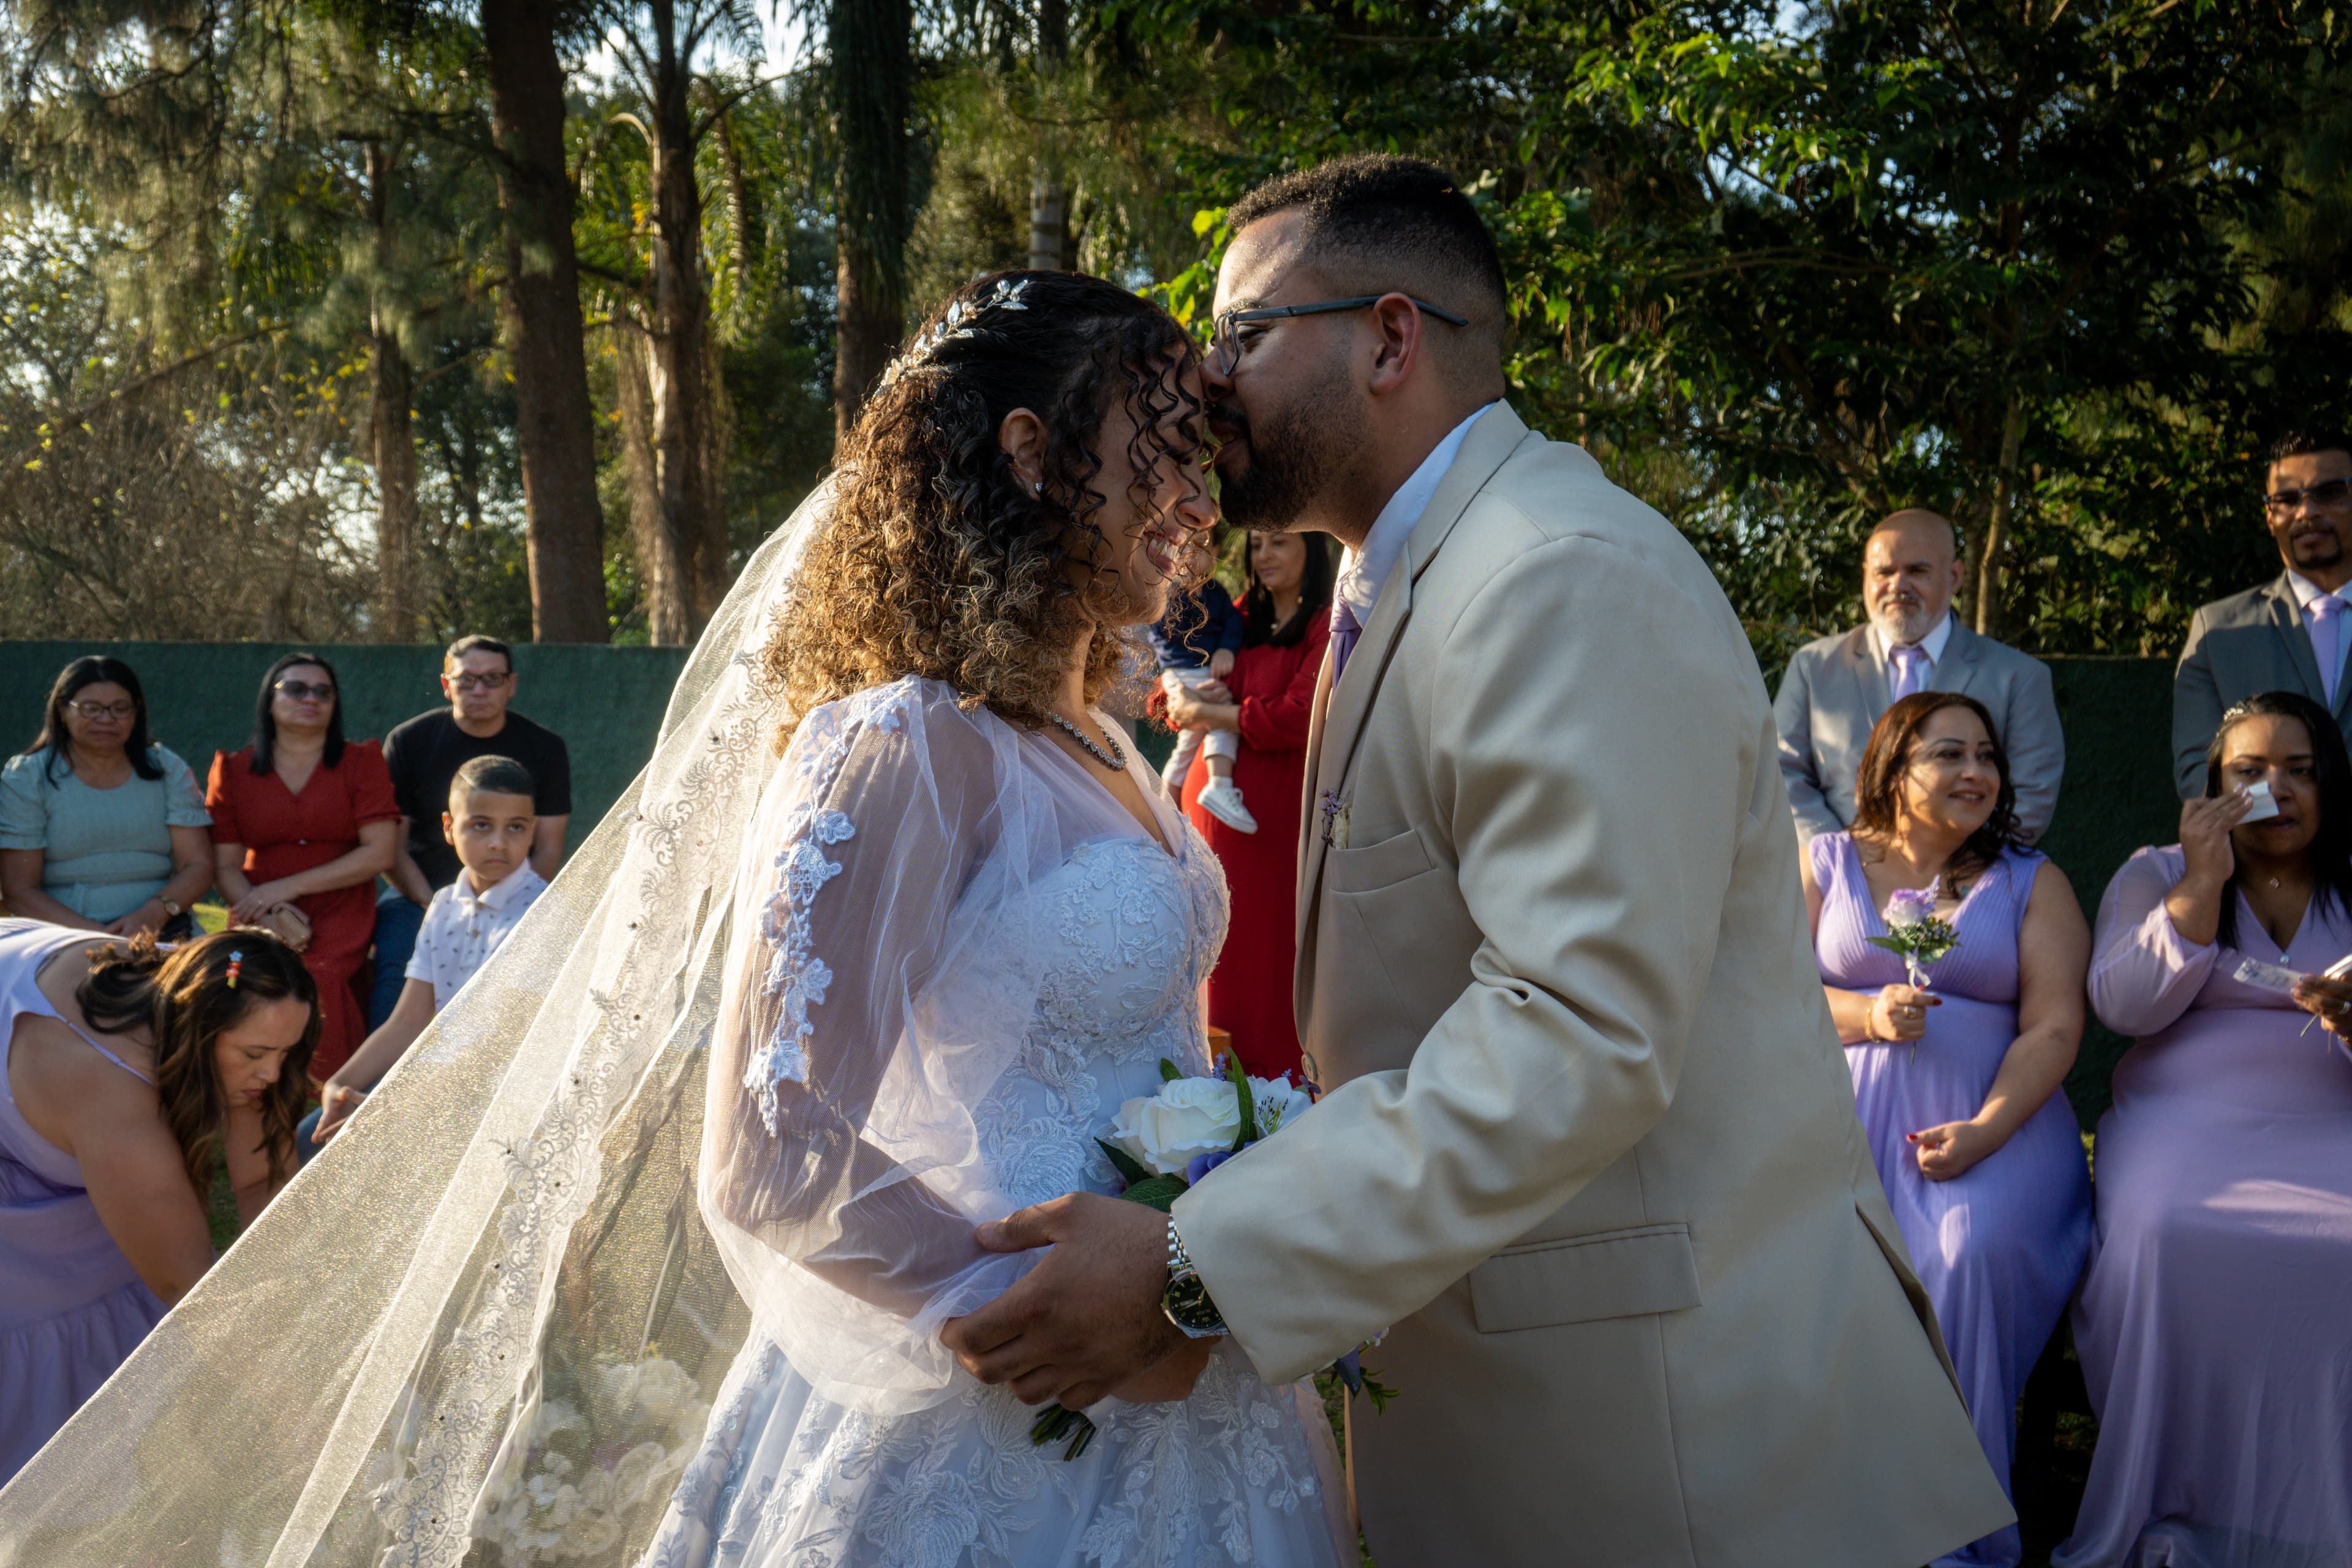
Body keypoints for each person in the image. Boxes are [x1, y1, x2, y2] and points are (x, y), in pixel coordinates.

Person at [0, 271, 1354, 1565]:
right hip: (1012, 1378)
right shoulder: (906, 741)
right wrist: (1052, 1321)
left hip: (1182, 1359)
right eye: (1162, 452)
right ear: (1030, 451)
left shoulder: (1104, 743)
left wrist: (1201, 1235)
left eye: (1198, 462)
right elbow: (773, 1147)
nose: (1197, 500)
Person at [941, 154, 2011, 1566]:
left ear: (1388, 338)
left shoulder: (1555, 571)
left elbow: (1580, 1024)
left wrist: (1198, 1265)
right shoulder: (1399, 583)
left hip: (1693, 1462)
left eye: (1242, 334)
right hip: (1542, 1436)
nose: (1204, 382)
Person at [2058, 690, 2352, 1567]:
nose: (2278, 791)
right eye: (2250, 773)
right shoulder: (2155, 870)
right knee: (2162, 1229)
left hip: (2331, 1114)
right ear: (2212, 789)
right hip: (2183, 1123)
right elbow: (2122, 1004)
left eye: (2301, 772)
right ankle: (2176, 1501)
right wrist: (2200, 883)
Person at [1801, 692, 2093, 1568]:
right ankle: (1839, 1519)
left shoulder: (2031, 881)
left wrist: (1986, 1131)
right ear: (1894, 769)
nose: (1977, 773)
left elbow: (2053, 1027)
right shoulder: (1823, 864)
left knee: (1965, 1256)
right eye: (1950, 755)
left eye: (1988, 757)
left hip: (1999, 1126)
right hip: (1844, 1129)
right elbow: (1764, 994)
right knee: (1821, 1261)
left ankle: (1957, 1536)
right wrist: (1865, 1011)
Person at [0, 923, 313, 1485]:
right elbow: (185, 1282)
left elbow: (258, 1184)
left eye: (285, 1054)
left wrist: (301, 1303)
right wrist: (292, 1408)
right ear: (203, 1029)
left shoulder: (228, 987)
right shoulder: (102, 1089)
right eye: (256, 1055)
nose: (272, 1073)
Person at [1776, 509, 2065, 842]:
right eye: (1884, 572)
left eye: (1917, 571)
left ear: (1955, 577)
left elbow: (2031, 796)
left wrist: (1949, 874)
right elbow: (1781, 772)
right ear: (1866, 577)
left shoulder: (2019, 678)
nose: (1898, 585)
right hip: (1835, 883)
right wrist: (1836, 860)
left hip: (1968, 885)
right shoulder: (1815, 668)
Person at [306, 756, 548, 1153]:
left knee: (361, 1149)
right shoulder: (445, 904)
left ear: (533, 831)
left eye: (516, 828)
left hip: (502, 1100)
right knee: (311, 1139)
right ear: (449, 828)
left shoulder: (542, 913)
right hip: (434, 1083)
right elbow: (408, 1021)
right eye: (481, 825)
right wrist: (339, 1083)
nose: (499, 843)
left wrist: (397, 1107)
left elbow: (510, 1049)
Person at [1162, 527, 1335, 1079]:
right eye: (1257, 545)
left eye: (1279, 543)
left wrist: (1213, 716)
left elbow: (1301, 713)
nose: (1264, 556)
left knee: (1267, 960)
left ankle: (1279, 1096)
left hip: (1274, 838)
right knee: (1218, 961)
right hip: (1206, 825)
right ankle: (1212, 1095)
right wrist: (1175, 695)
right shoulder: (1237, 617)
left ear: (1313, 551)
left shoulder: (1325, 626)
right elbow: (1173, 695)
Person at [205, 653, 399, 1083]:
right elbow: (225, 866)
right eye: (295, 688)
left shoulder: (360, 761)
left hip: (340, 903)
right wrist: (263, 909)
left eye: (323, 691)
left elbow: (379, 853)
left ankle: (328, 1102)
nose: (310, 698)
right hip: (257, 906)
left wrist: (284, 890)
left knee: (319, 975)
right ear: (269, 701)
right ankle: (242, 1087)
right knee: (245, 976)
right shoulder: (233, 770)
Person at [374, 636, 571, 1028]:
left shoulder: (545, 748)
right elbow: (391, 847)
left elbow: (547, 847)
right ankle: (380, 1087)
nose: (479, 689)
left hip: (515, 892)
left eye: (492, 679)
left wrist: (513, 904)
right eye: (467, 680)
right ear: (447, 685)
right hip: (418, 893)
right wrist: (435, 905)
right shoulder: (408, 742)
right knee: (395, 968)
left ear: (510, 685)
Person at [2173, 430, 2352, 798]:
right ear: (2269, 517)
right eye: (2286, 499)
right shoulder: (2217, 632)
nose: (2306, 512)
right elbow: (2200, 775)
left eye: (2330, 492)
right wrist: (2279, 833)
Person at [0, 657, 212, 937]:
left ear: (136, 712)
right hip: (57, 937)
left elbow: (197, 866)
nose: (106, 719)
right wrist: (101, 938)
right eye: (91, 709)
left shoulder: (167, 768)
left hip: (163, 929)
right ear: (63, 709)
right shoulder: (26, 778)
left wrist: (152, 915)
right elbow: (19, 890)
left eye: (120, 709)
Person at [1148, 535, 1256, 830]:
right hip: (1182, 673)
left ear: (1216, 553)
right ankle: (1219, 783)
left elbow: (1233, 625)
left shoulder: (1216, 593)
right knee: (1222, 716)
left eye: (1202, 549)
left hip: (1204, 671)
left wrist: (1225, 649)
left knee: (1187, 745)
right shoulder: (1167, 591)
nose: (1192, 556)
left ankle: (1164, 807)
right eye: (1185, 549)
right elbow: (1158, 630)